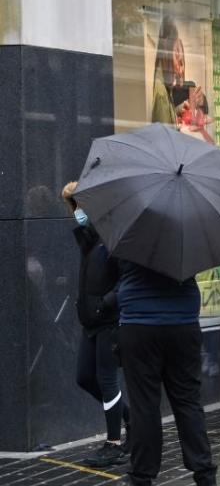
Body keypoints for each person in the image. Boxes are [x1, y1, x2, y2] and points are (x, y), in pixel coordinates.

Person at [118, 255, 217, 486]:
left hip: (138, 322)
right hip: (182, 322)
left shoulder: (130, 228)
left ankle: (142, 476)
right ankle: (205, 475)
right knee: (188, 402)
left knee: (144, 406)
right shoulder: (189, 227)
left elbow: (113, 269)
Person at [62, 182, 128, 469]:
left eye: (84, 205)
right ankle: (129, 419)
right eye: (75, 206)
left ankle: (114, 443)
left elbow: (128, 280)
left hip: (109, 320)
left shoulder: (117, 236)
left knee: (106, 379)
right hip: (90, 321)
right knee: (84, 377)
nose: (80, 212)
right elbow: (82, 232)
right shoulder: (91, 237)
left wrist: (107, 301)